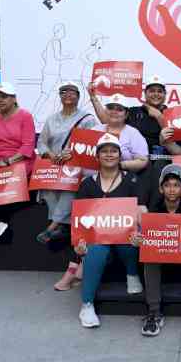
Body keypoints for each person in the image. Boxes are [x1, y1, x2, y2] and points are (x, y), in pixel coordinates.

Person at [72, 133, 149, 328]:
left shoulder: (132, 180)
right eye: (104, 151)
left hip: (125, 239)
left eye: (113, 151)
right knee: (95, 249)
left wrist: (143, 232)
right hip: (98, 239)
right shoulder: (87, 184)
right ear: (97, 156)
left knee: (130, 237)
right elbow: (79, 219)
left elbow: (141, 210)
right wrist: (78, 245)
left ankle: (132, 274)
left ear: (120, 155)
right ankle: (87, 305)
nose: (109, 155)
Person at [130, 164, 181, 337]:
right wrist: (139, 239)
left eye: (176, 185)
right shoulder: (154, 208)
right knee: (149, 255)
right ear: (161, 188)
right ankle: (154, 311)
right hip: (163, 254)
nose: (172, 189)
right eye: (167, 185)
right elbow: (147, 237)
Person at [35, 82, 96, 245]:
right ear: (60, 96)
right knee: (46, 186)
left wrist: (73, 154)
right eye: (63, 92)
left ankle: (52, 226)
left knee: (70, 186)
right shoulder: (51, 119)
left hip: (77, 166)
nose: (68, 94)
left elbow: (92, 145)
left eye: (72, 92)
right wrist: (50, 154)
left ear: (78, 96)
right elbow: (41, 143)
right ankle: (63, 225)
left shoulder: (88, 119)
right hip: (54, 164)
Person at [0, 82, 36, 243]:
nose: (0, 100)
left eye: (4, 97)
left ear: (14, 99)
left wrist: (6, 162)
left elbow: (28, 145)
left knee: (8, 179)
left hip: (19, 159)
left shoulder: (25, 116)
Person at [90, 75, 168, 155]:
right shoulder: (134, 111)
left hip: (159, 159)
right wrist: (93, 98)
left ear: (165, 94)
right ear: (145, 93)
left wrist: (159, 117)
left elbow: (173, 140)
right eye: (152, 91)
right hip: (134, 158)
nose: (156, 94)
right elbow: (107, 120)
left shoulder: (171, 114)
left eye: (160, 91)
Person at [90, 92, 149, 173]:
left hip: (122, 180)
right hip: (92, 180)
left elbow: (143, 161)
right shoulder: (93, 130)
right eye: (110, 108)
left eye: (119, 109)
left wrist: (119, 165)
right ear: (105, 110)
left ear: (126, 114)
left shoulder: (133, 133)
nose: (114, 111)